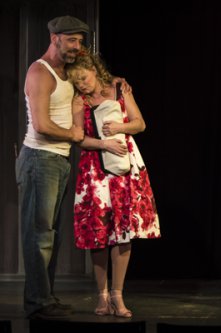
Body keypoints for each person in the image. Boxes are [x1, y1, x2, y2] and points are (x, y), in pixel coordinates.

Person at [66, 48, 161, 318]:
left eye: (84, 78)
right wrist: (102, 143)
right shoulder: (78, 100)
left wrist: (120, 128)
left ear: (95, 70)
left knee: (123, 232)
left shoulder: (120, 90)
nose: (82, 84)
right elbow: (78, 137)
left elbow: (140, 123)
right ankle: (102, 296)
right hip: (94, 169)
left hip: (124, 166)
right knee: (98, 232)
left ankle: (118, 297)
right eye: (76, 82)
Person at [15, 15, 89, 320]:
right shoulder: (40, 72)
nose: (77, 46)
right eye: (71, 40)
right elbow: (43, 125)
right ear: (54, 38)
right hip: (39, 159)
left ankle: (45, 297)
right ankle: (37, 302)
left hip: (58, 161)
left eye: (80, 41)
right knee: (39, 234)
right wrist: (73, 134)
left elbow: (93, 78)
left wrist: (116, 82)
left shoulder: (66, 71)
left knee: (52, 236)